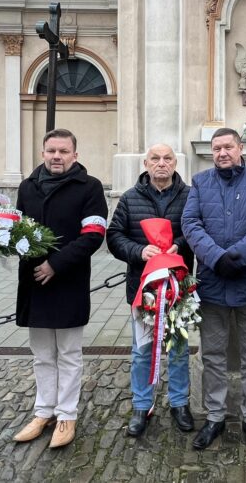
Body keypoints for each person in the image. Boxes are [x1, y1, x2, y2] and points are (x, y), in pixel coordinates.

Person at [182, 127, 246, 452]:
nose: (222, 153)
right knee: (212, 355)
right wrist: (215, 257)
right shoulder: (199, 182)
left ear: (240, 148)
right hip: (212, 284)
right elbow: (191, 223)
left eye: (228, 146)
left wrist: (237, 256)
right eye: (216, 148)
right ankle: (215, 416)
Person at [12, 129, 108, 448]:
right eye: (51, 150)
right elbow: (18, 230)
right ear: (42, 153)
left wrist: (56, 263)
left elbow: (93, 234)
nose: (57, 156)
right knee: (41, 354)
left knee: (68, 354)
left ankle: (66, 414)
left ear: (74, 155)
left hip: (68, 280)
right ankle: (43, 412)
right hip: (34, 282)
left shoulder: (90, 187)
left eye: (63, 151)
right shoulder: (27, 187)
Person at [106, 144, 195, 437]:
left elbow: (197, 229)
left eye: (167, 158)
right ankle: (142, 405)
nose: (161, 164)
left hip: (178, 288)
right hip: (142, 289)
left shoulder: (189, 195)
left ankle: (180, 403)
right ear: (145, 163)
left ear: (175, 163)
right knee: (143, 350)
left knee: (179, 349)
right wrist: (138, 250)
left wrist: (179, 246)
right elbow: (114, 236)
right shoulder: (130, 198)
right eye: (155, 159)